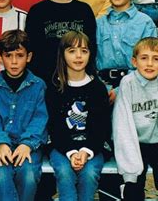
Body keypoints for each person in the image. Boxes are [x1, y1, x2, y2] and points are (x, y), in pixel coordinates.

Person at [0, 30, 48, 201]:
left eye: (20, 55)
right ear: (0, 57)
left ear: (29, 57)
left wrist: (27, 144)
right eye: (8, 56)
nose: (14, 62)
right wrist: (1, 143)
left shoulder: (38, 86)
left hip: (29, 146)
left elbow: (41, 118)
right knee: (2, 176)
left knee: (28, 175)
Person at [113, 37, 158, 201]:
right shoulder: (127, 83)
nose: (150, 64)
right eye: (144, 58)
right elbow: (122, 125)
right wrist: (130, 170)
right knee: (133, 187)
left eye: (156, 59)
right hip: (135, 143)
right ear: (134, 61)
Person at [46, 31, 110, 201]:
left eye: (84, 50)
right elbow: (54, 127)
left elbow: (101, 127)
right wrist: (72, 152)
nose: (78, 56)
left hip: (92, 147)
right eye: (72, 51)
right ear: (63, 54)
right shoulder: (55, 88)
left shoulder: (97, 88)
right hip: (62, 147)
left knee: (89, 173)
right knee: (65, 172)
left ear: (90, 54)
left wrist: (86, 151)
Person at [25, 0, 96, 85]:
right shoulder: (37, 12)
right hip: (44, 81)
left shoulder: (84, 11)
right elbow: (32, 51)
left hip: (77, 80)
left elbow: (92, 48)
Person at [96, 0, 157, 103]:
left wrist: (120, 90)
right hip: (102, 90)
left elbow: (150, 62)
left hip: (135, 89)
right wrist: (102, 89)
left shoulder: (145, 23)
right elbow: (91, 62)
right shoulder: (98, 24)